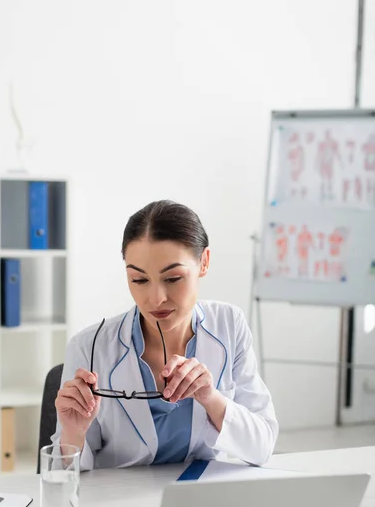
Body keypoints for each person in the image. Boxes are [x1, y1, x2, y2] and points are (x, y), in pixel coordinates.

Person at [52, 201, 278, 469]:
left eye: (172, 279)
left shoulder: (229, 325)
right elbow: (62, 479)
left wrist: (210, 398)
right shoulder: (89, 347)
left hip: (197, 497)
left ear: (203, 262)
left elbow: (262, 447)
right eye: (139, 280)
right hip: (117, 502)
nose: (156, 299)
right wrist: (74, 434)